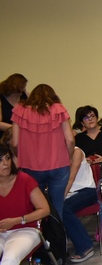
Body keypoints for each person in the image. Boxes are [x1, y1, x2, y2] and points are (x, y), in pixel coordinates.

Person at [0, 144, 51, 265]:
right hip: (2, 232)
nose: (4, 163)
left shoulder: (24, 179)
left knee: (10, 258)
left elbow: (44, 210)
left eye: (6, 158)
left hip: (26, 229)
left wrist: (18, 219)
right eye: (0, 160)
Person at [11, 84, 74, 217]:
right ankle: (58, 237)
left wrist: (21, 157)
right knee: (57, 207)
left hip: (31, 167)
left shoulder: (20, 111)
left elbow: (15, 143)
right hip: (59, 165)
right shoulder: (58, 109)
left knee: (36, 207)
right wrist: (69, 156)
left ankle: (40, 236)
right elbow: (70, 140)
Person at [62, 146, 97, 262]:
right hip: (71, 192)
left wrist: (60, 198)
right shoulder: (56, 153)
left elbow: (71, 178)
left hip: (86, 190)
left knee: (64, 209)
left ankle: (85, 246)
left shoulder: (76, 152)